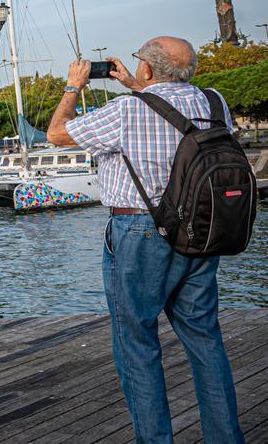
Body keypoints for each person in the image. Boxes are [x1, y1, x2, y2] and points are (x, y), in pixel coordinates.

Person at [46, 37, 244, 443]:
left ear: (149, 70)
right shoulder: (214, 102)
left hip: (139, 234)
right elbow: (172, 115)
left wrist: (73, 87)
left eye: (139, 62)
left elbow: (57, 134)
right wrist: (138, 87)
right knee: (205, 338)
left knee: (137, 342)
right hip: (202, 232)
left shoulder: (125, 111)